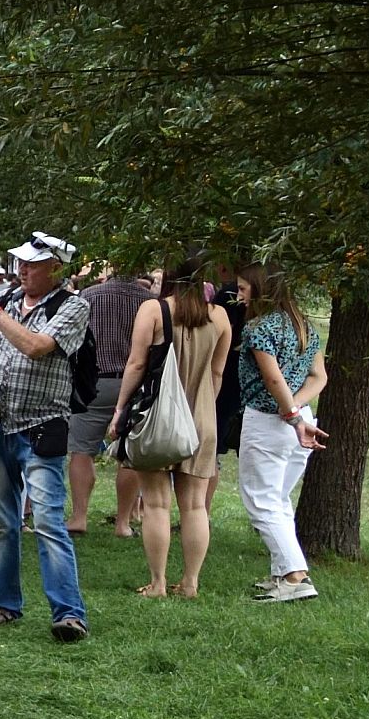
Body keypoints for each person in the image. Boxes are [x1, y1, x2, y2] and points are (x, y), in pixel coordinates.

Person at [0, 235, 96, 641]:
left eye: (32, 265)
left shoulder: (72, 307)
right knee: (1, 523)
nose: (23, 270)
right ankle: (5, 606)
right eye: (21, 263)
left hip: (40, 425)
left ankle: (69, 613)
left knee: (49, 521)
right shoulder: (10, 302)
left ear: (57, 268)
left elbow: (36, 346)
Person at [104, 261, 232, 601]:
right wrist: (202, 406)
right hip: (202, 419)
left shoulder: (154, 309)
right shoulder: (220, 316)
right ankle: (190, 583)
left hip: (157, 419)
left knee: (157, 504)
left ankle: (158, 583)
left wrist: (120, 410)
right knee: (194, 507)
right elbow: (217, 373)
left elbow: (136, 363)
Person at [234, 270, 327, 603]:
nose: (239, 294)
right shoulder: (303, 325)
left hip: (269, 421)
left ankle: (294, 577)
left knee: (262, 500)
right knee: (278, 500)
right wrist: (299, 411)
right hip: (299, 418)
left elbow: (273, 381)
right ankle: (281, 574)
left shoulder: (260, 328)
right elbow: (319, 377)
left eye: (244, 289)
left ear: (261, 290)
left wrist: (289, 414)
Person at [72, 254, 154, 539]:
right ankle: (123, 522)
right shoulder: (148, 301)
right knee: (128, 455)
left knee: (82, 450)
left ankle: (79, 516)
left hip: (94, 382)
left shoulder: (89, 295)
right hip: (133, 384)